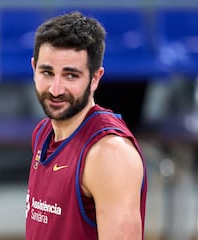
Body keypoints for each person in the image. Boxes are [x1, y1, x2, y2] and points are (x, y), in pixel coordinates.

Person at [25, 11, 147, 240]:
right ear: (34, 69)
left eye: (71, 75)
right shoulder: (42, 133)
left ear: (95, 78)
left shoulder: (110, 154)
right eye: (47, 73)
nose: (55, 89)